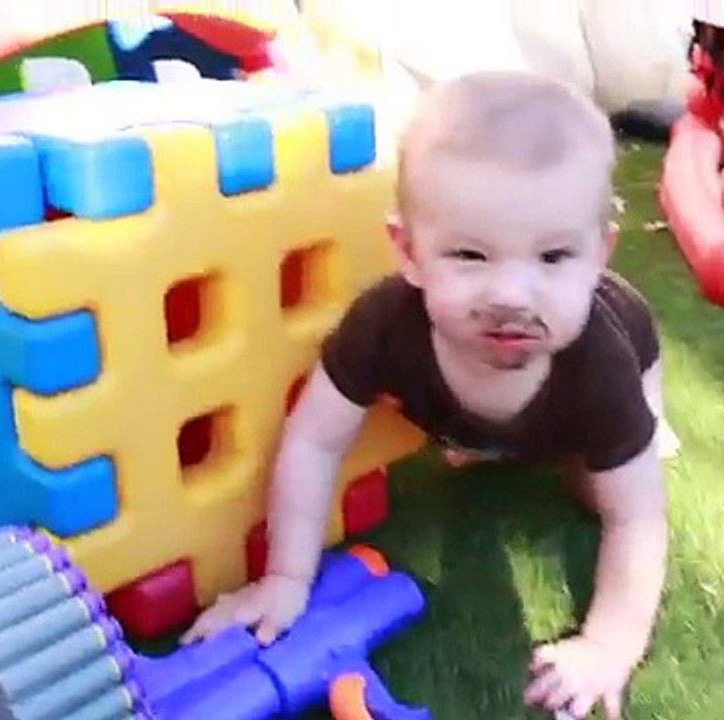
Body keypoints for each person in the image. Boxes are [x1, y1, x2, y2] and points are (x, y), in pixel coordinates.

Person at [181, 70, 677, 719]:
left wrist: (608, 645)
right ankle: (482, 436)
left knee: (597, 490)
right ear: (408, 251)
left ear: (599, 254)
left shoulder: (600, 363)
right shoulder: (384, 326)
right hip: (474, 413)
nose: (512, 296)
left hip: (618, 374)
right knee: (485, 443)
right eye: (470, 255)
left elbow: (637, 519)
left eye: (554, 257)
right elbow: (314, 439)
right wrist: (286, 578)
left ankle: (629, 426)